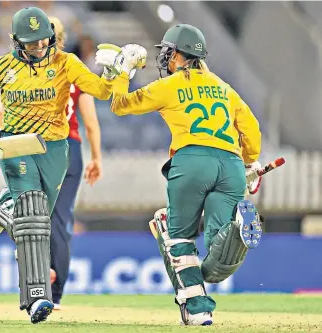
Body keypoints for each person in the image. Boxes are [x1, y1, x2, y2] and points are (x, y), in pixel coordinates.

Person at [0, 6, 126, 324]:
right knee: (32, 214)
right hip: (16, 144)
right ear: (16, 41)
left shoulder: (66, 63)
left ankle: (5, 208)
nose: (39, 48)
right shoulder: (3, 67)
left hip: (56, 149)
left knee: (39, 219)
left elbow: (100, 91)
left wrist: (114, 73)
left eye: (43, 41)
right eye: (31, 44)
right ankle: (36, 298)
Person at [95, 24, 262, 326]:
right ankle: (237, 230)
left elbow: (119, 106)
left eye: (167, 53)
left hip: (192, 161)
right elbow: (251, 129)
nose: (165, 59)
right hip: (232, 166)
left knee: (178, 238)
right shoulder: (225, 88)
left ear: (177, 54)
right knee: (215, 252)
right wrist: (249, 161)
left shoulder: (169, 86)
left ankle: (197, 309)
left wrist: (122, 72)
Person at [0, 16, 103, 310]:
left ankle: (33, 288)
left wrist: (5, 146)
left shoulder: (21, 71)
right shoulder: (73, 71)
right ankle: (55, 292)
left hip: (28, 146)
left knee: (29, 217)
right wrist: (97, 158)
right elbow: (90, 123)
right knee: (59, 220)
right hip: (69, 148)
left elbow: (1, 113)